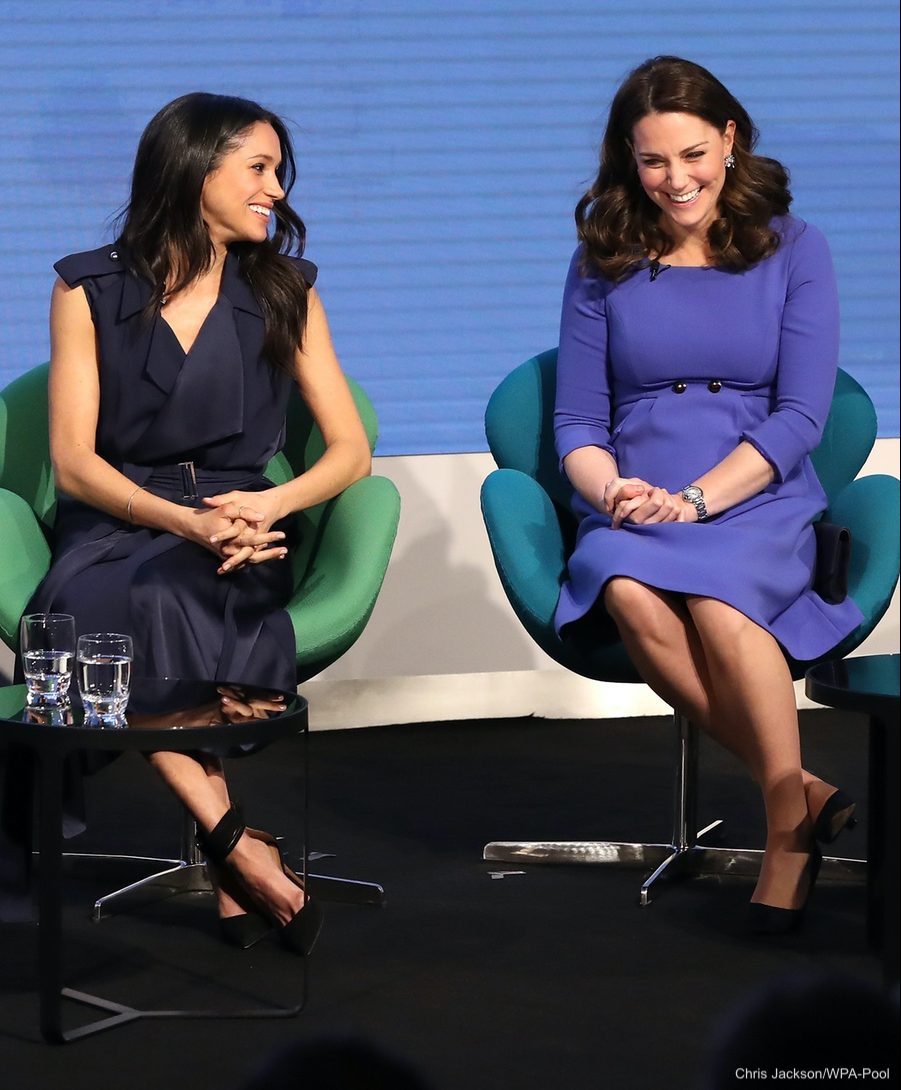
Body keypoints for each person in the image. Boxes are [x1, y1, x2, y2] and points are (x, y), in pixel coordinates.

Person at [23, 92, 372, 952]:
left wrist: (268, 505)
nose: (276, 188)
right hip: (116, 515)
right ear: (194, 168)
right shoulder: (87, 286)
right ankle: (239, 849)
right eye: (258, 167)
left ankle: (234, 858)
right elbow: (72, 461)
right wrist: (181, 526)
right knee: (112, 604)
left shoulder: (285, 290)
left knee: (162, 599)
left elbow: (349, 451)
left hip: (238, 515)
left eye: (279, 171)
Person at [553, 56, 865, 932]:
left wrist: (694, 502)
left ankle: (783, 829)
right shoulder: (601, 256)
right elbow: (576, 422)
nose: (675, 180)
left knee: (726, 613)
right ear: (627, 157)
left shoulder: (792, 246)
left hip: (749, 489)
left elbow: (802, 415)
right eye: (653, 162)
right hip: (635, 490)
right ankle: (797, 791)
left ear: (729, 139)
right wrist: (611, 490)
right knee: (624, 590)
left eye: (692, 154)